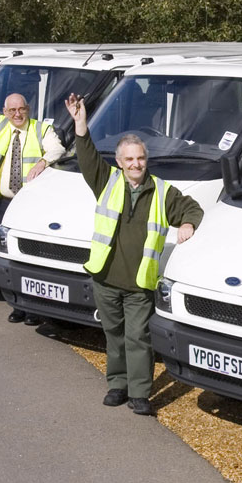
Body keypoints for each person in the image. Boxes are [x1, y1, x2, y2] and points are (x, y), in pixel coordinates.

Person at [65, 91, 202, 416]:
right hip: (105, 278)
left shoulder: (162, 191)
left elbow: (191, 208)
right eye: (129, 160)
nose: (135, 164)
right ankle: (117, 386)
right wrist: (80, 125)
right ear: (119, 162)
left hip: (139, 284)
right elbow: (86, 157)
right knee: (113, 336)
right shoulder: (106, 181)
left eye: (140, 158)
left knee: (137, 338)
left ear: (146, 159)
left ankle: (140, 393)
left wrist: (188, 224)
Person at [0, 47, 64, 324]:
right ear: (5, 111)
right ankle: (17, 304)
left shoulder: (41, 129)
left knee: (32, 258)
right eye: (12, 110)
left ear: (28, 109)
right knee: (8, 256)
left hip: (30, 204)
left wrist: (42, 162)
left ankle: (35, 309)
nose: (18, 114)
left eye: (22, 109)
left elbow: (57, 149)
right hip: (4, 203)